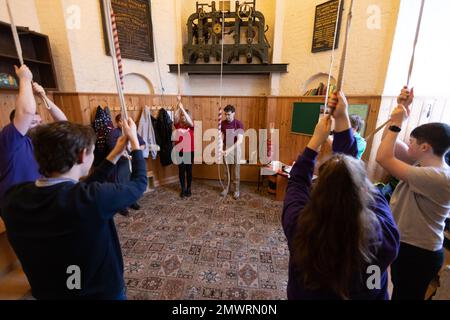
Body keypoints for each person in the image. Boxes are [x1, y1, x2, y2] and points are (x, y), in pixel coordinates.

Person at [1, 119, 147, 300]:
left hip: (49, 291)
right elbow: (139, 184)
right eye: (92, 152)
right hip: (98, 293)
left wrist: (115, 153)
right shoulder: (90, 199)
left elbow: (75, 192)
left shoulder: (13, 197)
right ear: (82, 155)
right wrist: (135, 144)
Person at [282, 91, 400, 300]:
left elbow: (297, 182)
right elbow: (360, 181)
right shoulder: (385, 236)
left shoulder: (299, 227)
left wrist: (316, 140)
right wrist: (342, 120)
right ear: (362, 192)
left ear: (317, 193)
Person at [376, 86, 450, 300]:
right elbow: (386, 146)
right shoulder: (423, 165)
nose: (407, 142)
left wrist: (398, 123)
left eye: (411, 141)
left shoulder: (437, 177)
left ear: (425, 147)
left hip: (419, 253)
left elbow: (383, 158)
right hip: (410, 247)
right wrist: (402, 108)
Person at [0, 65, 67, 212]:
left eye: (39, 121)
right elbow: (26, 112)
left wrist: (43, 96)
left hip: (40, 201)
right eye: (32, 122)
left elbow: (64, 125)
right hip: (18, 206)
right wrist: (24, 78)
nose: (38, 124)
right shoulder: (9, 140)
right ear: (17, 124)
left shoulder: (38, 139)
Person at [107, 113, 146, 216]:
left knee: (131, 182)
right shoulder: (114, 133)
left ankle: (132, 201)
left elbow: (142, 144)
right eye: (120, 121)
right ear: (117, 122)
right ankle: (121, 206)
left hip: (131, 162)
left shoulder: (131, 132)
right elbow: (114, 148)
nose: (123, 123)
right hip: (120, 164)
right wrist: (125, 154)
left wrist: (136, 151)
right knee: (121, 184)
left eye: (124, 121)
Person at [220, 105, 244, 200]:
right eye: (225, 114)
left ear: (233, 113)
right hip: (226, 147)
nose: (227, 116)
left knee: (235, 171)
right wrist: (221, 145)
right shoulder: (223, 123)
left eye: (229, 114)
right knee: (226, 170)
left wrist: (228, 150)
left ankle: (236, 190)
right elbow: (222, 136)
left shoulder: (238, 124)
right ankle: (226, 188)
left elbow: (240, 141)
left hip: (235, 148)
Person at [173, 100, 195, 198]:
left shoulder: (191, 126)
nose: (183, 117)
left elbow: (190, 121)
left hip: (189, 151)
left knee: (189, 171)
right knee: (181, 171)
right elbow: (175, 118)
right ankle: (183, 189)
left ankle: (189, 188)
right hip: (180, 151)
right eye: (182, 116)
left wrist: (183, 109)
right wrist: (179, 106)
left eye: (185, 116)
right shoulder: (178, 125)